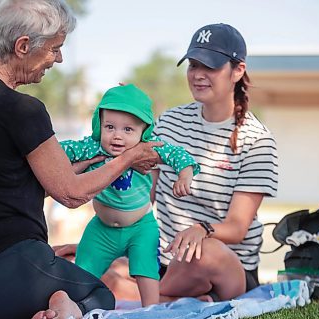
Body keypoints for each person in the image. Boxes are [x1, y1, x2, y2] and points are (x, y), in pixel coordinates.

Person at [0, 0, 162, 319]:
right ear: (23, 46)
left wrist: (89, 163)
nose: (59, 59)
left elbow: (3, 185)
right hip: (1, 278)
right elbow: (70, 194)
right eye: (54, 49)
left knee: (61, 265)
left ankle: (33, 312)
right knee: (99, 293)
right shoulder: (22, 109)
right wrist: (128, 158)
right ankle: (60, 305)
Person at [55, 23, 278, 303]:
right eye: (193, 65)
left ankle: (152, 293)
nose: (198, 75)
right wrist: (105, 244)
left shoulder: (258, 141)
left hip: (225, 266)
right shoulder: (171, 121)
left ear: (238, 70)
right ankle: (174, 299)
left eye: (210, 67)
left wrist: (201, 230)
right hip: (167, 262)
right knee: (106, 275)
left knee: (204, 252)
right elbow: (143, 194)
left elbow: (237, 227)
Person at [60, 84, 200, 306]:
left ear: (143, 131)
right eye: (110, 127)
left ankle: (151, 311)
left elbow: (177, 154)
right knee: (82, 271)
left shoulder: (146, 148)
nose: (117, 136)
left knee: (147, 271)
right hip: (101, 229)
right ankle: (72, 306)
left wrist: (185, 175)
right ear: (99, 125)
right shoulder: (93, 147)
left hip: (140, 227)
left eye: (128, 130)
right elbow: (61, 151)